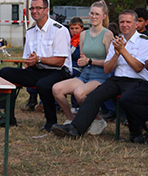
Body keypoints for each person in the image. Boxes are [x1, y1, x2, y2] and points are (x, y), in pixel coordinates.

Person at [51, 10, 148, 141]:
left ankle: (135, 132)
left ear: (136, 24)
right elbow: (108, 69)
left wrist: (122, 50)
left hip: (136, 80)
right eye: (122, 22)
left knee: (127, 99)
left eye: (128, 22)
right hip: (117, 79)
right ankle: (75, 128)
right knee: (94, 96)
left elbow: (138, 67)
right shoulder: (117, 41)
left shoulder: (144, 42)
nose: (124, 25)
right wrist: (116, 54)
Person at [0, 0, 72, 132]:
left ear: (46, 10)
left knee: (43, 84)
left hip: (59, 71)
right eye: (32, 8)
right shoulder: (31, 32)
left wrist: (38, 59)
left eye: (38, 8)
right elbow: (28, 58)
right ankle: (6, 117)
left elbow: (60, 61)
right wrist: (30, 62)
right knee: (5, 73)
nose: (34, 11)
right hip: (38, 69)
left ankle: (51, 122)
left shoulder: (59, 30)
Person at [52, 1, 112, 126]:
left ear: (104, 16)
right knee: (57, 89)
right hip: (84, 74)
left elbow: (110, 62)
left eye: (97, 14)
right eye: (92, 13)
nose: (94, 17)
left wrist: (90, 61)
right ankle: (70, 120)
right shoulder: (84, 34)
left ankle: (97, 120)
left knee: (79, 93)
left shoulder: (107, 34)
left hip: (100, 76)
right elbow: (83, 57)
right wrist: (82, 61)